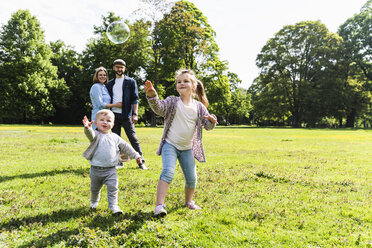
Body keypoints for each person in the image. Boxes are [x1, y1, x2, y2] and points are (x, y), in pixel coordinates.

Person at [144, 69, 218, 217]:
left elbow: (207, 126)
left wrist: (211, 121)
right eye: (179, 82)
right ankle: (159, 206)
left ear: (194, 85)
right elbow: (159, 108)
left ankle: (188, 202)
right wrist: (152, 97)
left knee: (191, 178)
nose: (181, 83)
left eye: (185, 81)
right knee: (168, 172)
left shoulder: (198, 106)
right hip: (170, 144)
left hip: (187, 148)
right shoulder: (172, 101)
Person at [82, 109, 143, 214]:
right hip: (96, 170)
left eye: (108, 120)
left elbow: (127, 147)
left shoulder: (115, 137)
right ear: (96, 123)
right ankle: (94, 202)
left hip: (111, 170)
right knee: (95, 189)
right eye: (102, 120)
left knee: (113, 189)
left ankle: (113, 207)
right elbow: (90, 134)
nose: (105, 122)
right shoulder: (96, 135)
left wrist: (137, 155)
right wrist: (87, 128)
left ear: (113, 124)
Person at [106, 59, 147, 170]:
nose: (119, 69)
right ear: (114, 68)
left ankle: (141, 161)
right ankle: (119, 162)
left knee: (133, 138)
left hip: (127, 115)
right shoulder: (110, 83)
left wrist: (135, 113)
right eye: (117, 67)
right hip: (113, 116)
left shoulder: (131, 82)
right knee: (116, 139)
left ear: (124, 68)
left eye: (121, 67)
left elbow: (135, 99)